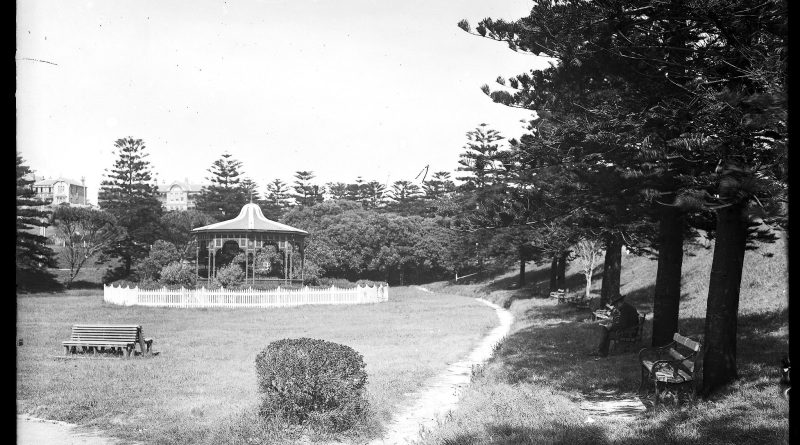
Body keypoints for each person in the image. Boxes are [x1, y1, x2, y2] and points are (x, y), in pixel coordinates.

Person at [591, 292, 639, 357]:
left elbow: (623, 325)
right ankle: (601, 351)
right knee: (606, 329)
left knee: (605, 329)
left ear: (618, 302)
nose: (615, 306)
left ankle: (601, 351)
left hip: (629, 332)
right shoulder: (626, 307)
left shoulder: (625, 309)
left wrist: (611, 326)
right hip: (630, 329)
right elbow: (623, 322)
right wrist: (612, 325)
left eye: (615, 304)